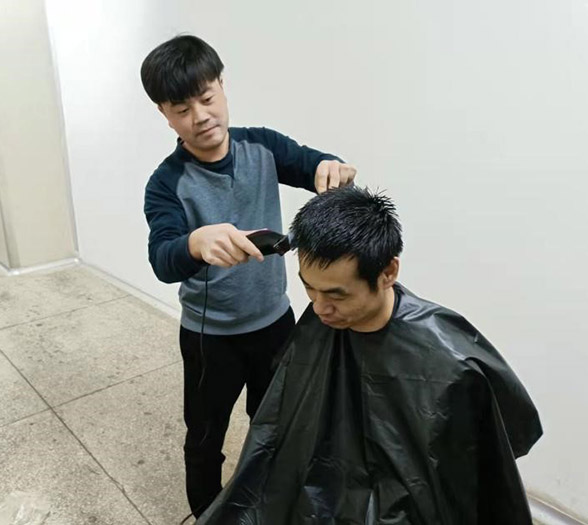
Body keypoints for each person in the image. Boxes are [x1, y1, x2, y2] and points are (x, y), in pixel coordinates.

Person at [198, 186, 543, 524]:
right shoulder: (320, 322)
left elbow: (501, 443)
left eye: (337, 295)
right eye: (309, 288)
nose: (319, 307)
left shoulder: (450, 356)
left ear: (388, 272)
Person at [140, 35, 357, 518]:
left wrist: (332, 169)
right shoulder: (167, 183)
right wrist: (195, 243)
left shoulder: (262, 146)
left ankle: (269, 506)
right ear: (164, 114)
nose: (200, 116)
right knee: (205, 438)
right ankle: (208, 513)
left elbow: (316, 165)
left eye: (207, 97)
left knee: (275, 427)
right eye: (182, 109)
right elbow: (162, 258)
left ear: (222, 85)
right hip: (209, 338)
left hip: (276, 324)